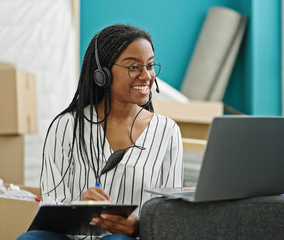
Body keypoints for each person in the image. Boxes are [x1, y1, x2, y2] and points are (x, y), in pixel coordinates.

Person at [17, 24, 183, 240]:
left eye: (150, 65)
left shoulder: (167, 132)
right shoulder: (66, 126)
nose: (146, 76)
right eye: (133, 67)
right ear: (102, 74)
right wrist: (78, 207)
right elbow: (52, 201)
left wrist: (138, 227)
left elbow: (170, 212)